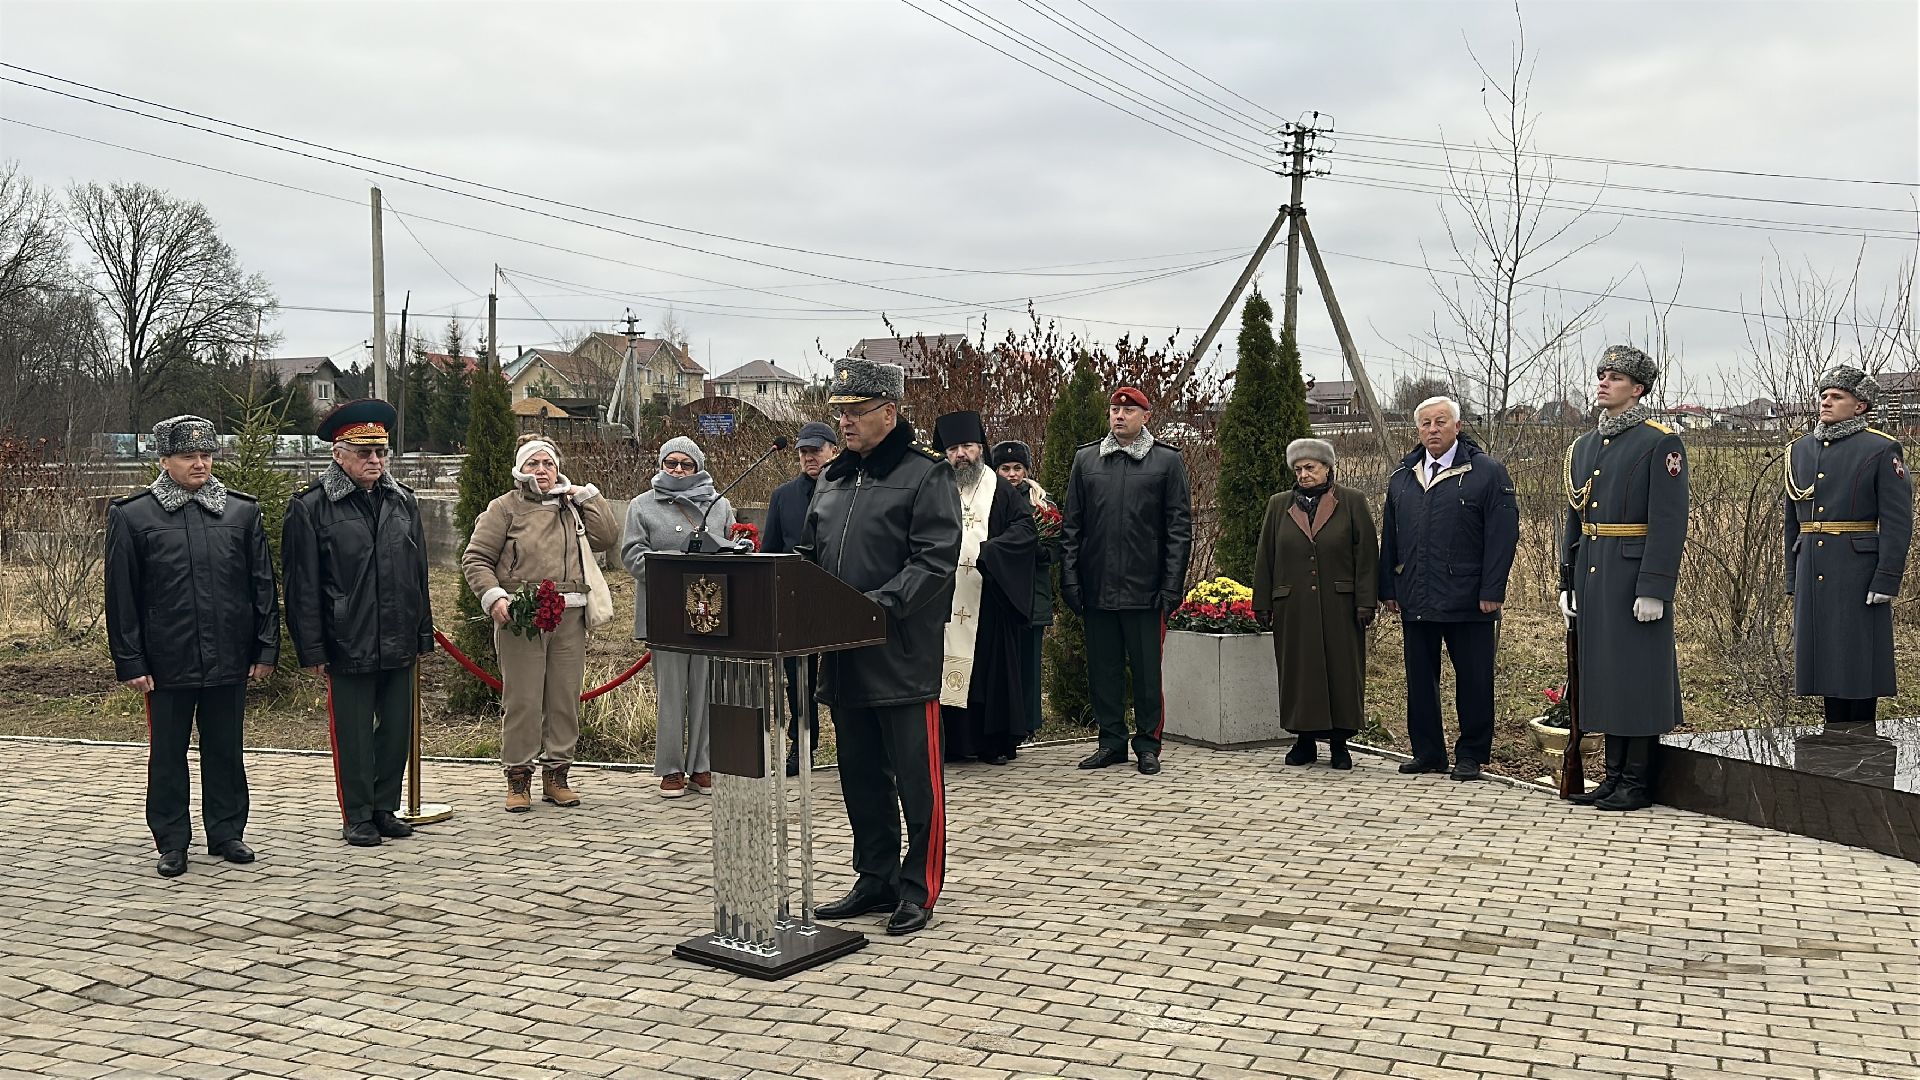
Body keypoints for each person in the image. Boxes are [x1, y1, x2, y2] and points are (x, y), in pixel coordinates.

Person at [796, 357, 959, 936]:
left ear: (889, 413)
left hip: (901, 653)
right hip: (843, 656)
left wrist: (876, 607)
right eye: (837, 411)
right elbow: (811, 557)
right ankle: (876, 875)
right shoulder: (833, 479)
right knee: (859, 772)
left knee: (917, 777)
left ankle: (919, 886)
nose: (843, 422)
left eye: (855, 412)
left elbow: (935, 561)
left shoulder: (925, 475)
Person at [105, 415, 277, 878]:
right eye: (188, 456)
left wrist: (264, 648)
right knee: (167, 753)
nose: (200, 464)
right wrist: (130, 660)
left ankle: (226, 832)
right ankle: (172, 840)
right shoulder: (133, 515)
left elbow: (262, 585)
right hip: (167, 658)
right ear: (164, 460)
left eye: (206, 454)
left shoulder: (241, 512)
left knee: (226, 748)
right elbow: (121, 596)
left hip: (228, 653)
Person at [283, 399, 435, 847]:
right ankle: (358, 813)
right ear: (338, 453)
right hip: (346, 639)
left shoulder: (402, 500)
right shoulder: (310, 508)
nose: (375, 461)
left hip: (398, 637)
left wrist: (421, 632)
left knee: (394, 729)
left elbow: (418, 573)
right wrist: (311, 648)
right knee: (352, 734)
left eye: (381, 453)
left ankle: (384, 806)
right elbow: (302, 586)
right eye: (364, 453)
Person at [1558, 345, 1688, 812]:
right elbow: (1574, 518)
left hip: (1633, 573)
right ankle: (1611, 777)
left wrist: (1655, 586)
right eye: (1600, 374)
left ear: (1638, 389)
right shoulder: (1585, 446)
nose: (1603, 381)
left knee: (1637, 677)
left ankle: (1636, 780)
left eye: (1614, 376)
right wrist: (1566, 580)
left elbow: (1669, 520)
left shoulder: (1659, 442)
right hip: (1595, 571)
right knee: (1607, 677)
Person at [462, 435, 620, 812]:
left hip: (569, 612)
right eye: (533, 464)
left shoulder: (570, 506)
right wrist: (495, 596)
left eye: (548, 464)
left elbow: (607, 537)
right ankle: (518, 778)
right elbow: (476, 558)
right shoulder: (503, 508)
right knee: (524, 700)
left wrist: (587, 497)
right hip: (522, 615)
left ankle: (557, 774)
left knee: (564, 698)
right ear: (520, 469)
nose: (541, 471)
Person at [1377, 397, 1519, 781]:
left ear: (1457, 426)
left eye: (1441, 421)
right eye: (1425, 423)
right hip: (1416, 597)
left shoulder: (1486, 473)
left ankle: (1471, 754)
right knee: (1420, 680)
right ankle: (1428, 752)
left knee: (1473, 680)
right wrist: (1388, 586)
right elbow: (1390, 537)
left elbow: (1502, 536)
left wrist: (1493, 589)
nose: (1433, 429)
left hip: (1470, 599)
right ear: (1417, 430)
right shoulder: (1403, 477)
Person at [1060, 386, 1192, 776]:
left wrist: (1171, 585)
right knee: (1104, 670)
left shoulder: (1166, 462)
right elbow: (1072, 526)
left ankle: (1148, 745)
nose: (1119, 416)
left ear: (1146, 417)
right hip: (1098, 588)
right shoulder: (1086, 460)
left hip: (1145, 590)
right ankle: (1111, 742)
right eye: (1115, 410)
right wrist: (1070, 579)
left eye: (1129, 410)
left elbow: (1178, 529)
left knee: (1148, 674)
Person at [1785, 366, 1912, 728]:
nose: (1826, 401)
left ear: (1860, 406)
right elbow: (1792, 520)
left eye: (1837, 396)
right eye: (1824, 395)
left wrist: (1887, 577)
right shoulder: (1799, 451)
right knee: (1823, 660)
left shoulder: (1880, 448)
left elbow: (1897, 520)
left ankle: (1861, 744)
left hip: (1858, 570)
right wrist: (1793, 575)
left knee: (1858, 662)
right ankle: (1831, 743)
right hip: (1812, 566)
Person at [1250, 438, 1379, 770]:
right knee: (1299, 672)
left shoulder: (1351, 501)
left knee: (1342, 672)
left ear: (1327, 468)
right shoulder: (1279, 505)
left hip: (1340, 605)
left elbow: (1366, 556)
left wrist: (1366, 601)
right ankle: (1304, 742)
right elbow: (1266, 556)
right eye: (1298, 469)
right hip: (1293, 607)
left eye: (1310, 468)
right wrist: (1262, 601)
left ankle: (1340, 745)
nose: (1304, 475)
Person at [621, 436, 739, 799]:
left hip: (709, 610)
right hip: (667, 612)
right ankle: (671, 768)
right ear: (660, 466)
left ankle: (702, 764)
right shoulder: (642, 505)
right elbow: (632, 555)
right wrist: (673, 572)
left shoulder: (719, 505)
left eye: (685, 464)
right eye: (670, 463)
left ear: (698, 467)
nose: (677, 470)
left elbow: (733, 544)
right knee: (671, 692)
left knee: (706, 688)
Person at [934, 412, 1035, 766]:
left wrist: (993, 553)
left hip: (987, 596)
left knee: (988, 672)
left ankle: (992, 742)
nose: (961, 454)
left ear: (981, 449)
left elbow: (1025, 531)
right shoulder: (933, 486)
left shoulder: (1001, 489)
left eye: (968, 447)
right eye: (954, 448)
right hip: (940, 599)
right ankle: (948, 743)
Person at [764, 420, 837, 777]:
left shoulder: (852, 487)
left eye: (816, 450)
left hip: (842, 597)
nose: (810, 458)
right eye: (804, 452)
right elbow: (771, 551)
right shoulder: (783, 496)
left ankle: (854, 744)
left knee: (843, 677)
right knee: (799, 680)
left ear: (833, 450)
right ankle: (802, 745)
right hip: (797, 601)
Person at [992, 439, 1057, 741]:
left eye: (1018, 468)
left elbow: (1058, 546)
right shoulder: (985, 501)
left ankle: (1029, 722)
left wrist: (1036, 548)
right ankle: (1004, 720)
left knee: (1029, 663)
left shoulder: (1042, 505)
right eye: (1005, 468)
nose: (1012, 474)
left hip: (1033, 594)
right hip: (999, 595)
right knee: (1002, 663)